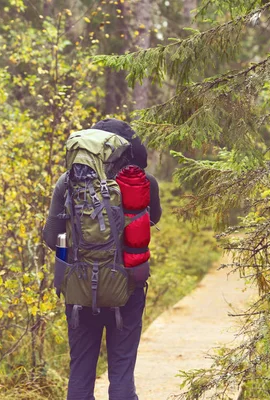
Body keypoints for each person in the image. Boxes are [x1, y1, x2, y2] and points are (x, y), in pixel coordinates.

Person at [42, 118, 162, 400]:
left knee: (81, 373)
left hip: (80, 291)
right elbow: (153, 218)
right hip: (128, 289)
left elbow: (50, 237)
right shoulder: (143, 182)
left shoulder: (68, 182)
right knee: (121, 373)